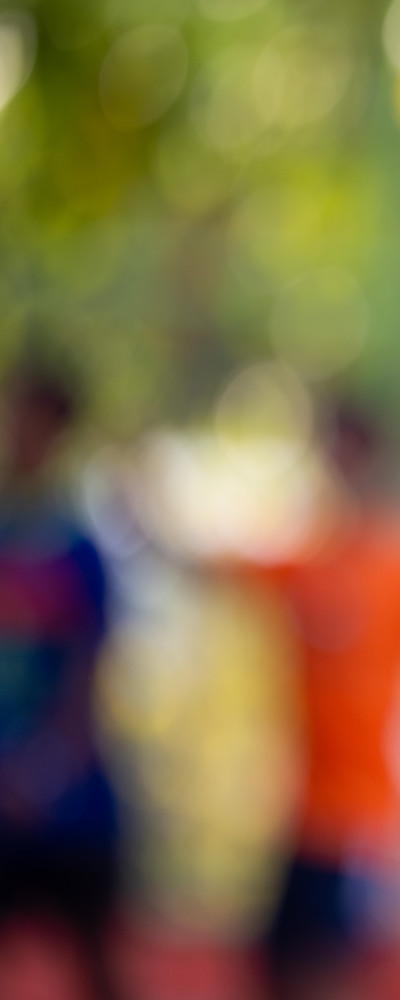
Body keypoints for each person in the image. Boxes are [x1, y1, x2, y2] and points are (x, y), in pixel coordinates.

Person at [249, 402, 400, 1000]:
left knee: (355, 965)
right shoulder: (309, 558)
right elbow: (230, 566)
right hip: (309, 806)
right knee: (281, 961)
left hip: (375, 814)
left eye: (351, 449)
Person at [0, 364, 123, 1000]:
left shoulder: (80, 546)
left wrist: (46, 766)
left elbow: (89, 664)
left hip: (67, 797)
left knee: (93, 950)